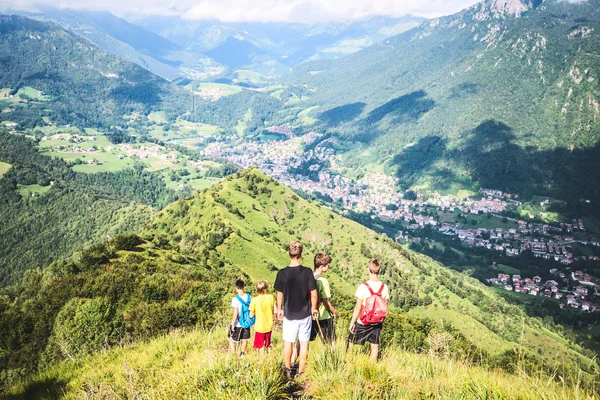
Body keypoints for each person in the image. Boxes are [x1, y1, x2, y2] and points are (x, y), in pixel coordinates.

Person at [274, 241, 318, 379]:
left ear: (288, 253)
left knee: (288, 342)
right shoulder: (307, 272)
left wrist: (279, 309)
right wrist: (314, 308)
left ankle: (288, 369)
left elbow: (279, 293)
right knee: (304, 343)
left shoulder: (282, 273)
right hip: (305, 314)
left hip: (289, 314)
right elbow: (314, 293)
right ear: (301, 254)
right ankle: (301, 371)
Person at [349, 259, 390, 362]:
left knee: (351, 342)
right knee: (374, 346)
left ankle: (349, 364)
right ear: (379, 271)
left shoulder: (363, 287)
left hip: (363, 321)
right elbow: (385, 306)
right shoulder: (384, 287)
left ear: (368, 270)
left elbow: (358, 307)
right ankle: (371, 368)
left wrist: (352, 322)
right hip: (377, 322)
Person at [310, 252, 338, 343]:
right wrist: (334, 312)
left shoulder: (309, 277)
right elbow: (326, 302)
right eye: (328, 266)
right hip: (323, 316)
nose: (329, 268)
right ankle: (331, 357)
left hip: (310, 314)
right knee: (331, 342)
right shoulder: (323, 281)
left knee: (305, 341)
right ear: (322, 267)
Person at [249, 280, 276, 356]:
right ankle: (269, 358)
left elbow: (251, 315)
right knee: (268, 344)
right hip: (269, 325)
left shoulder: (254, 300)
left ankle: (262, 361)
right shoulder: (271, 297)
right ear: (266, 288)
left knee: (261, 346)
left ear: (256, 290)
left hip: (259, 327)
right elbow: (275, 310)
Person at [228, 279, 251, 356]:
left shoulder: (235, 299)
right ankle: (242, 354)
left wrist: (233, 324)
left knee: (231, 339)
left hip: (238, 323)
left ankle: (234, 355)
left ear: (236, 287)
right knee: (245, 339)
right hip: (247, 322)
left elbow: (235, 313)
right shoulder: (248, 296)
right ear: (243, 286)